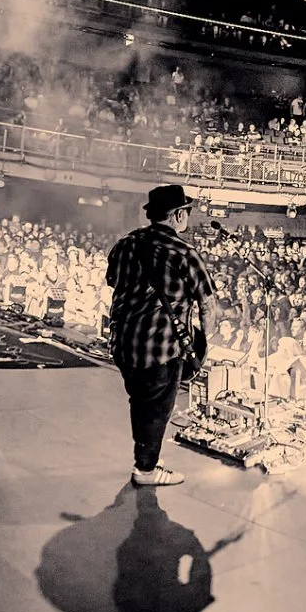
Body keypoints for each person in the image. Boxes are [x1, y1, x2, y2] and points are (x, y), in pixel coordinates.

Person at [106, 186, 215, 488]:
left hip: (125, 344)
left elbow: (113, 281)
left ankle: (146, 455)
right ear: (178, 215)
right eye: (187, 211)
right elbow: (207, 303)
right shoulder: (185, 253)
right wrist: (204, 342)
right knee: (157, 410)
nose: (188, 216)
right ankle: (146, 470)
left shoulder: (125, 244)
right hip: (162, 348)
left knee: (139, 401)